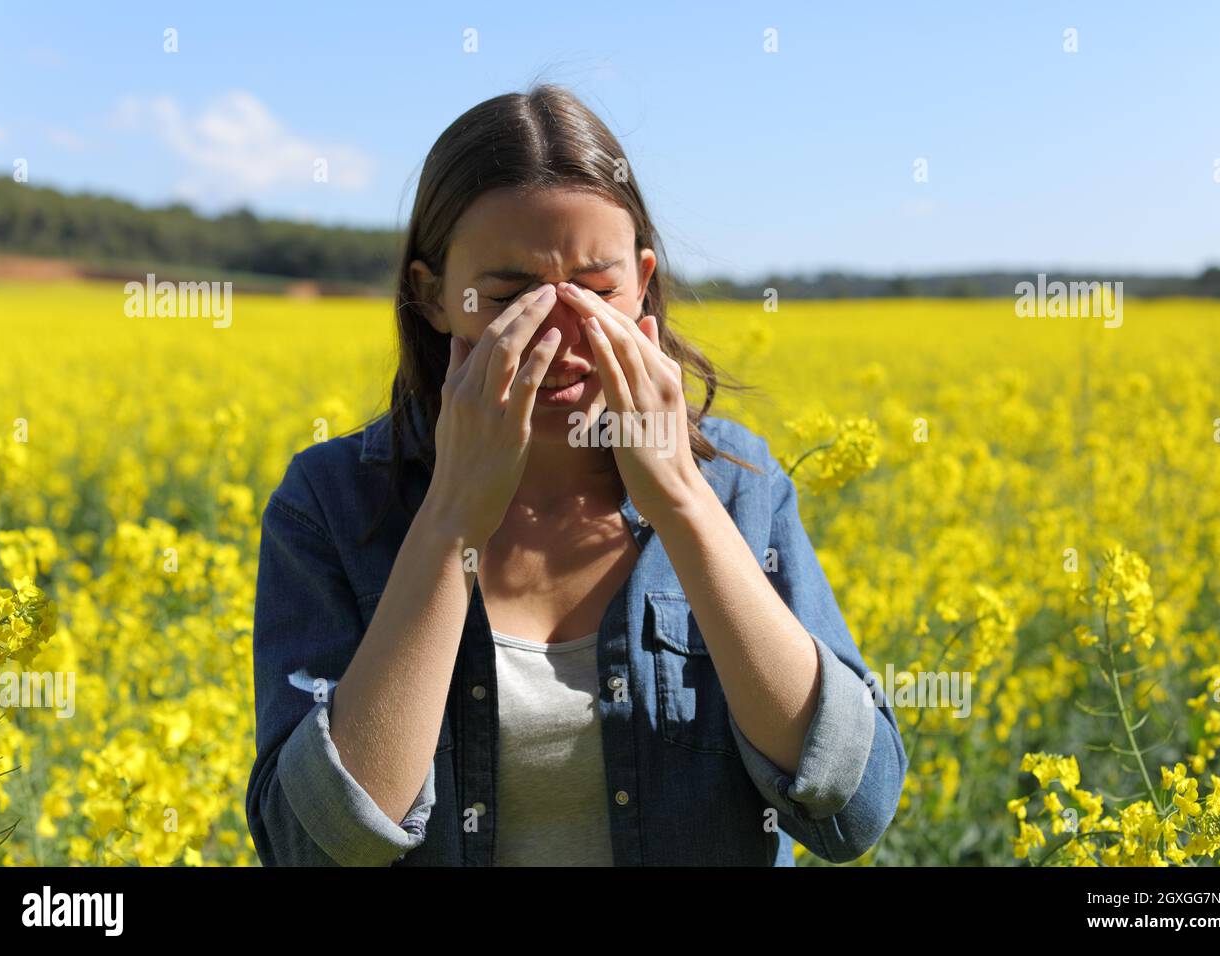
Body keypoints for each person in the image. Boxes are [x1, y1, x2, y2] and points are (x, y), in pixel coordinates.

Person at [245, 83, 905, 866]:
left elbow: (854, 806)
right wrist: (452, 518)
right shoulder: (330, 504)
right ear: (431, 297)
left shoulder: (740, 485)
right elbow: (317, 846)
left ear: (645, 281)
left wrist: (684, 503)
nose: (560, 336)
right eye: (510, 295)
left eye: (597, 291)